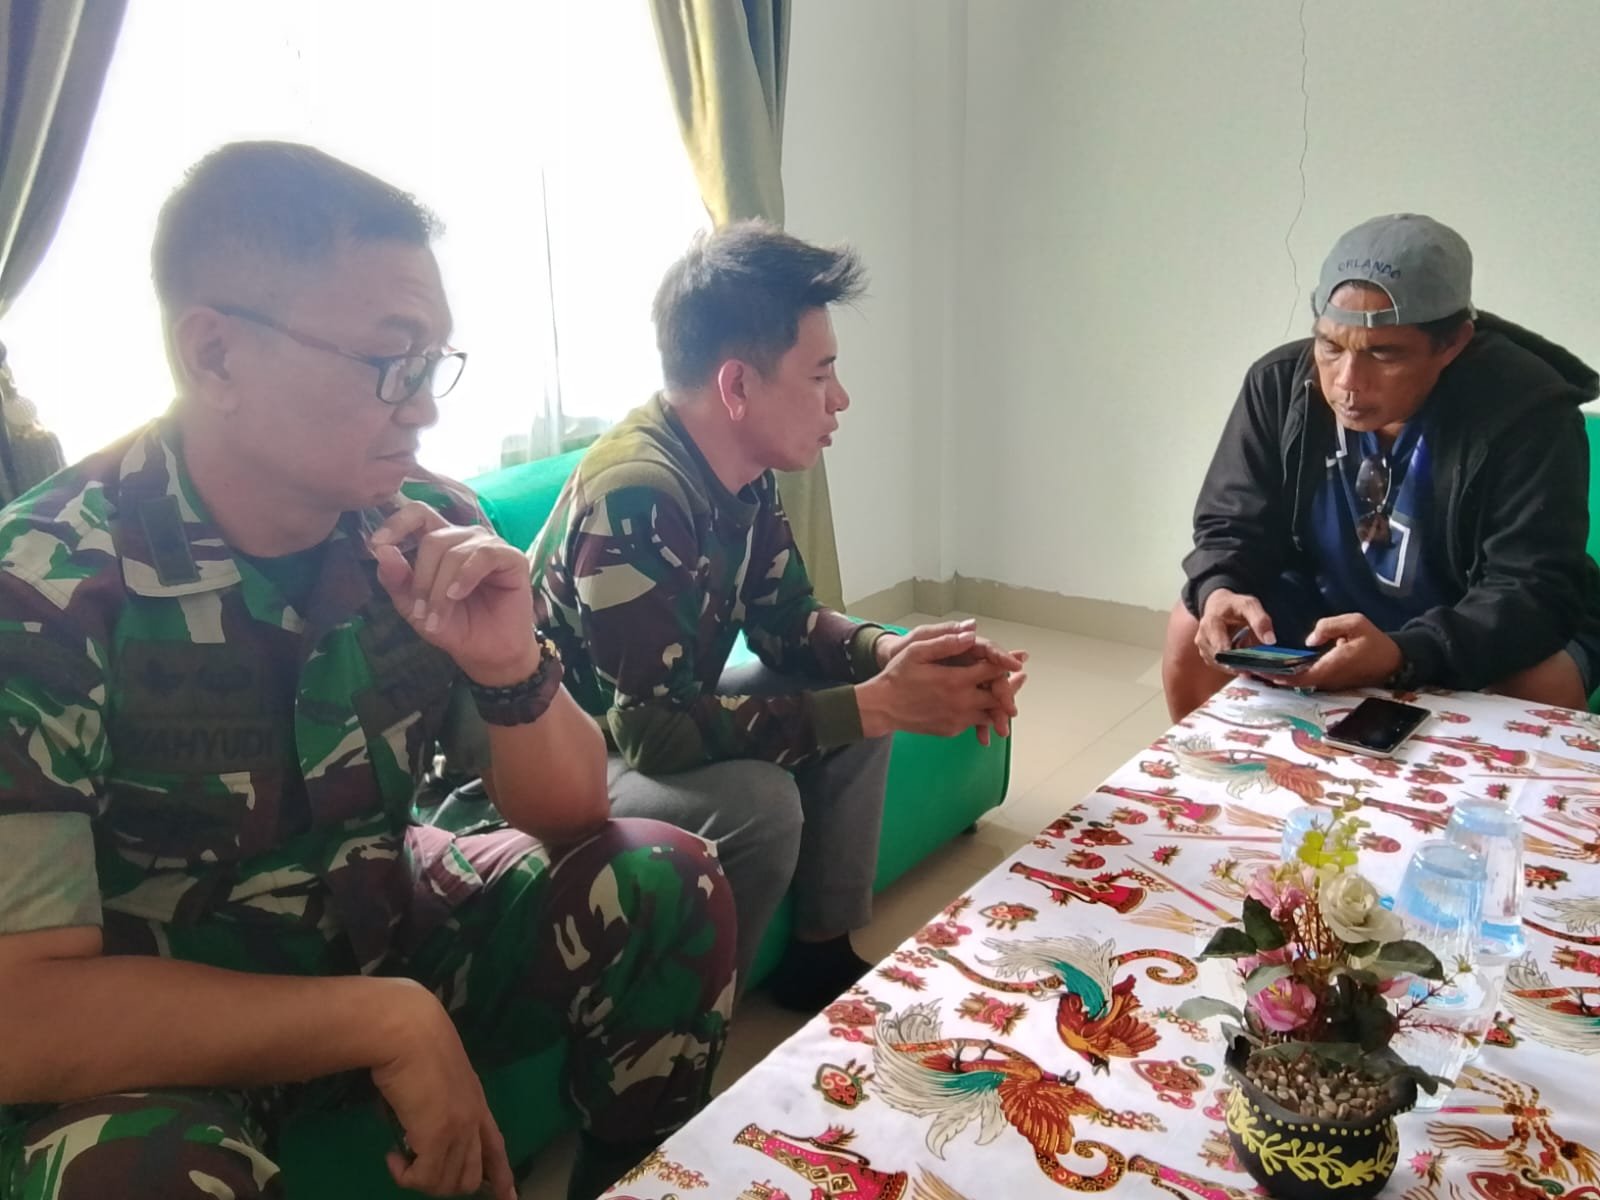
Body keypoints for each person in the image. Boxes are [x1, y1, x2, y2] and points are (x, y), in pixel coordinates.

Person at [0, 142, 736, 1200]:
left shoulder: (426, 525)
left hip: (388, 918)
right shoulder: (42, 590)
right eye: (391, 361)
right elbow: (21, 1013)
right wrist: (379, 1021)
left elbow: (574, 810)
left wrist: (510, 667)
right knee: (129, 1177)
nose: (422, 407)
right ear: (215, 355)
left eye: (433, 365)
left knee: (667, 879)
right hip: (178, 1015)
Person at [529, 221, 1027, 1013]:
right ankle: (692, 1026)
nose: (841, 398)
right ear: (737, 386)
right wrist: (876, 701)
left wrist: (888, 653)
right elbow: (649, 731)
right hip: (562, 754)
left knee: (861, 702)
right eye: (821, 373)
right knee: (765, 802)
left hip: (644, 716)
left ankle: (819, 954)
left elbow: (785, 618)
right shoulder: (638, 494)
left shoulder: (738, 463)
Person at [1166, 213, 1600, 721]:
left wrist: (1404, 654)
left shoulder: (1528, 414)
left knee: (1536, 685)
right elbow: (1231, 523)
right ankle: (1205, 771)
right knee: (1194, 624)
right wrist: (1220, 586)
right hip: (1328, 597)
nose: (1348, 382)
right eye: (1331, 346)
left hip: (1474, 617)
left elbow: (1530, 588)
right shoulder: (1280, 384)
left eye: (1385, 354)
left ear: (1453, 344)